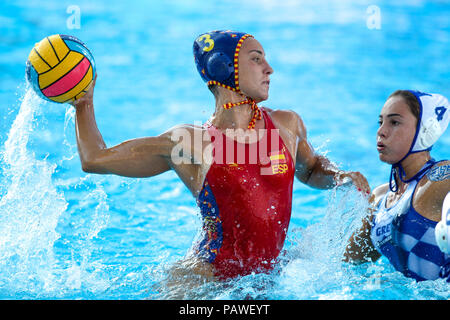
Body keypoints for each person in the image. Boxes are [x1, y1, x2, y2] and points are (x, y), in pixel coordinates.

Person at [72, 30, 369, 280]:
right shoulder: (190, 143)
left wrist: (338, 176)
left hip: (268, 277)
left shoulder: (286, 125)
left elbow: (310, 169)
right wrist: (83, 104)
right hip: (205, 281)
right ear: (224, 67)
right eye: (256, 59)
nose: (269, 68)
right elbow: (95, 159)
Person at [344, 90, 450, 282]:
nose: (381, 131)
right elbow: (345, 264)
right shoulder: (380, 199)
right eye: (381, 122)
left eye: (394, 122)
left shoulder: (439, 178)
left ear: (426, 130)